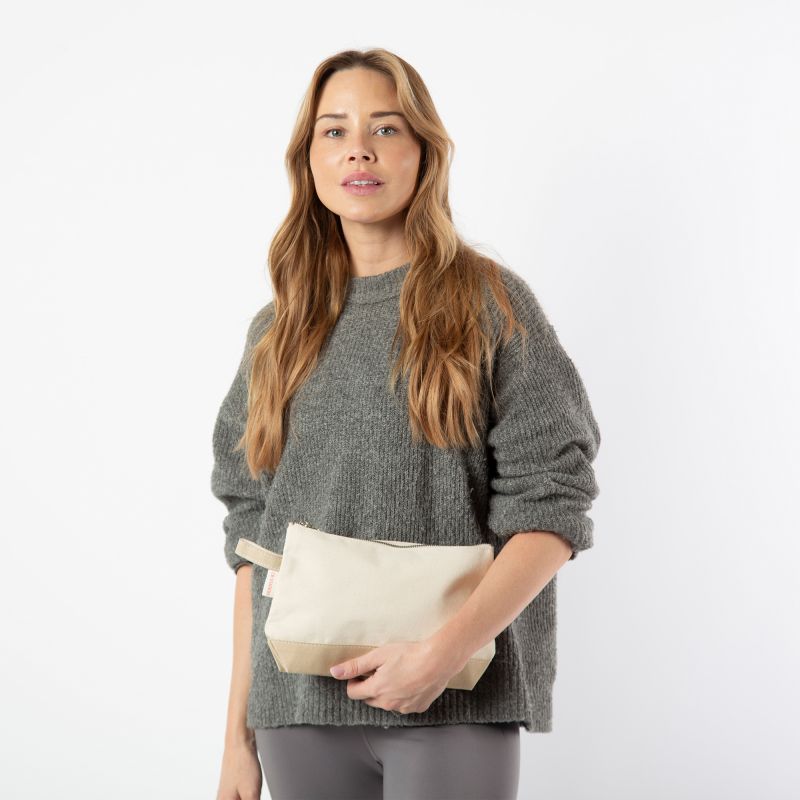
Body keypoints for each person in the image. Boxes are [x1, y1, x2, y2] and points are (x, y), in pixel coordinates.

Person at [211, 47, 601, 800]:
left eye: (385, 128)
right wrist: (238, 740)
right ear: (309, 160)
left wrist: (442, 651)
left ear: (425, 153)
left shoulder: (489, 303)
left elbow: (553, 506)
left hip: (457, 695)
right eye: (334, 130)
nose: (358, 146)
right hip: (298, 709)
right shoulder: (278, 332)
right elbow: (254, 544)